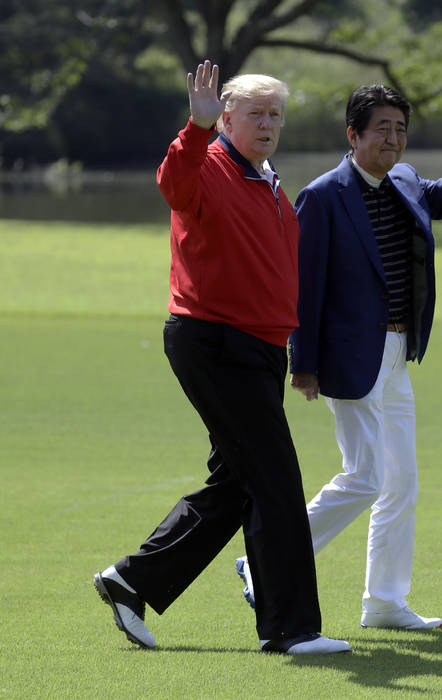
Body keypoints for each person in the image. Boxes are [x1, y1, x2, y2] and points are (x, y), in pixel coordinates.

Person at [93, 60, 349, 655]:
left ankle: (133, 579)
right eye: (255, 113)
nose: (268, 123)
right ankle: (291, 630)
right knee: (277, 481)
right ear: (227, 116)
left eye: (275, 114)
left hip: (258, 347)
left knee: (239, 482)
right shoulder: (206, 164)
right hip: (215, 340)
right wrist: (196, 128)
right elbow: (172, 184)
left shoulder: (268, 178)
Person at [236, 83, 442, 630]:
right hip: (346, 356)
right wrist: (301, 361)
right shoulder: (322, 195)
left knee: (401, 482)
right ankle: (262, 562)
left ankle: (384, 601)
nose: (394, 139)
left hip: (398, 350)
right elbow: (303, 288)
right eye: (382, 128)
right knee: (367, 476)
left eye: (400, 129)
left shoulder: (404, 181)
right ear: (353, 135)